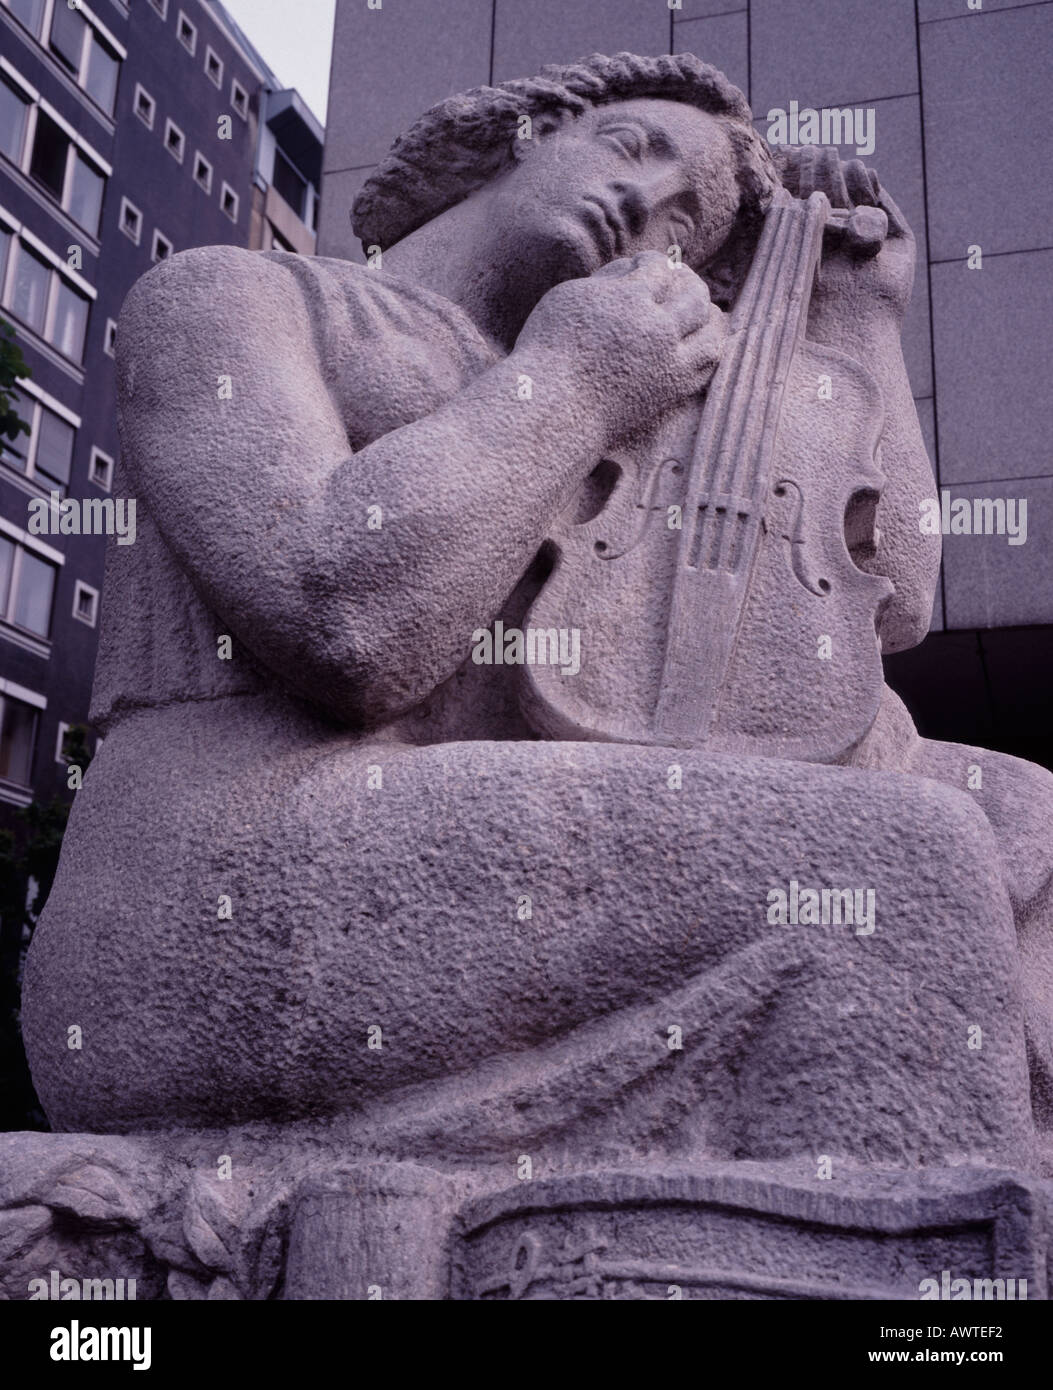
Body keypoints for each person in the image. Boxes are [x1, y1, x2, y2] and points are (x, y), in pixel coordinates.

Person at [24, 55, 1051, 1173]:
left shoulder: (618, 398)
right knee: (909, 862)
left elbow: (889, 602)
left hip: (432, 846)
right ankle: (925, 1309)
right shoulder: (237, 299)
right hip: (214, 882)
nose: (646, 208)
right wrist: (574, 380)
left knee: (1026, 821)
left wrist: (857, 327)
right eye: (632, 147)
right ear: (529, 132)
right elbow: (343, 617)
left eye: (685, 225)